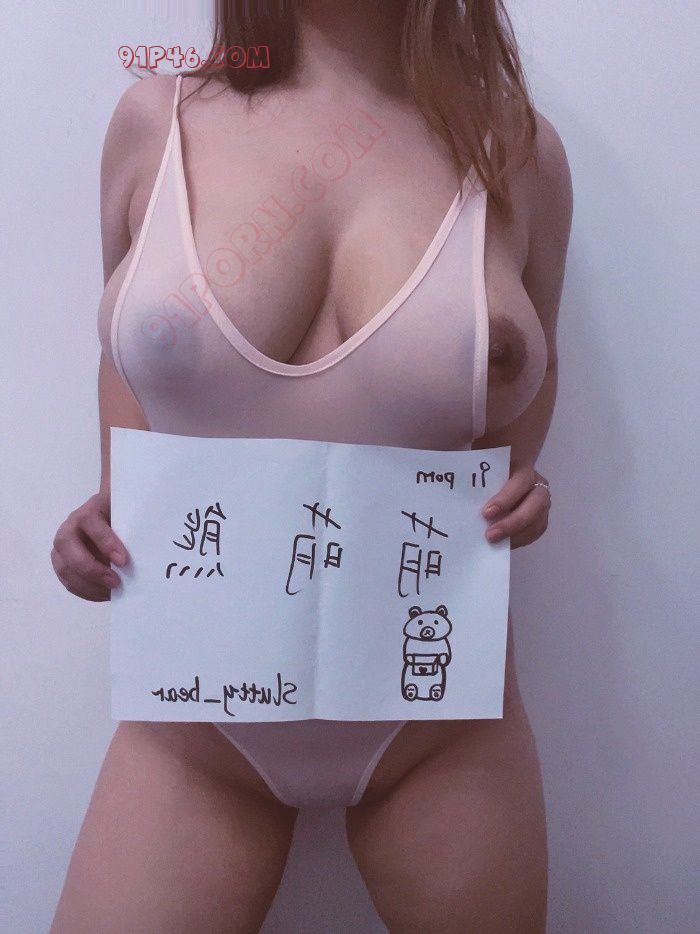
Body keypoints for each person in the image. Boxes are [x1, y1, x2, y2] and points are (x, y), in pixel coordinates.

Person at [49, 1, 573, 930]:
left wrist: (519, 487)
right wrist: (112, 501)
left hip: (439, 723)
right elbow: (126, 355)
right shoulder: (155, 119)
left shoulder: (516, 149)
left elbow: (534, 370)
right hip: (193, 728)